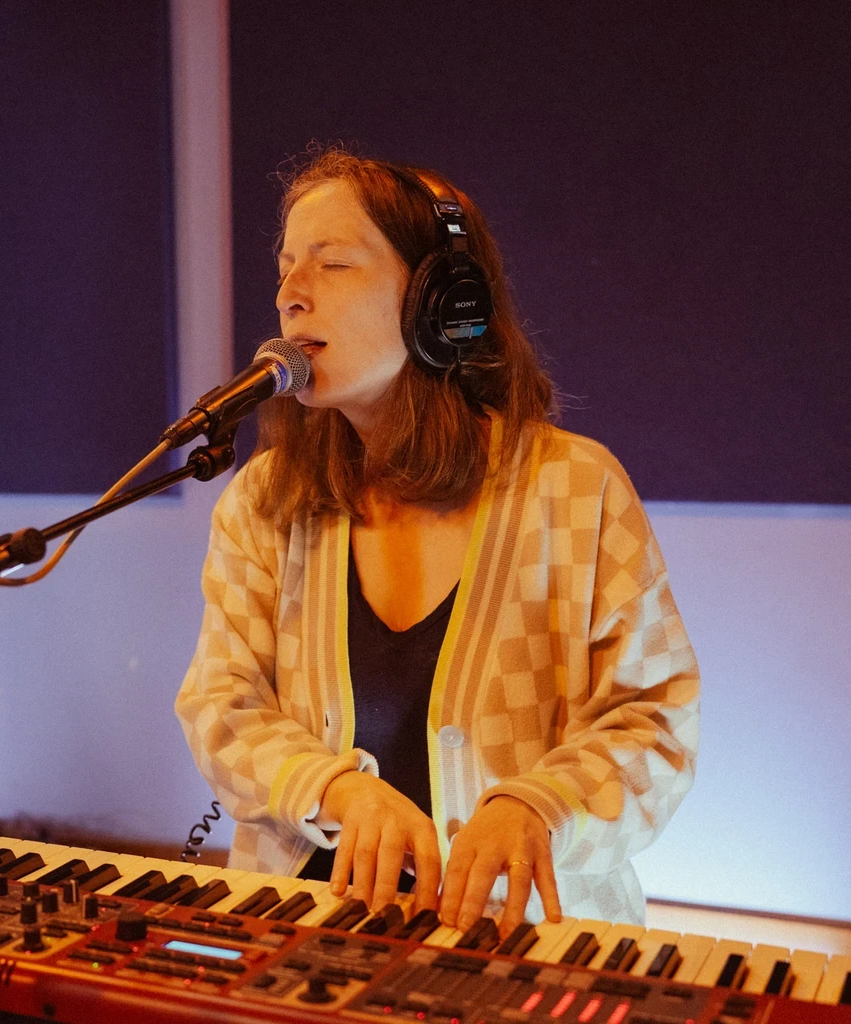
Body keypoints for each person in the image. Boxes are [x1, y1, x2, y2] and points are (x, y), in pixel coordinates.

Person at [174, 147, 700, 939]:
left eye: (333, 264)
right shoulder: (263, 498)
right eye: (285, 268)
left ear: (441, 306)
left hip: (527, 952)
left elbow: (652, 722)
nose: (289, 296)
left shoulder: (576, 489)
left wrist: (538, 804)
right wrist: (333, 790)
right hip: (298, 940)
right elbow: (224, 705)